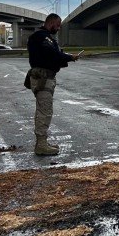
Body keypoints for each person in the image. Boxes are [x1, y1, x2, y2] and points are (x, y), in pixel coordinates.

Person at [26, 13, 79, 156]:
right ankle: (41, 145)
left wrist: (66, 57)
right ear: (51, 23)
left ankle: (42, 143)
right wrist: (70, 57)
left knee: (43, 110)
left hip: (44, 78)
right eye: (58, 24)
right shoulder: (43, 37)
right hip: (43, 78)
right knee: (45, 111)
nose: (59, 27)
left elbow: (53, 54)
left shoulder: (44, 37)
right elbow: (53, 55)